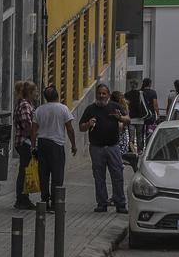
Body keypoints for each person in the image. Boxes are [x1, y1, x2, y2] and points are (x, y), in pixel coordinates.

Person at [80, 83, 130, 213]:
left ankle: (120, 204)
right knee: (99, 176)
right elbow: (81, 127)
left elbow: (128, 119)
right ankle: (102, 203)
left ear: (108, 95)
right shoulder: (90, 109)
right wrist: (88, 124)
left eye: (104, 93)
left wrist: (120, 118)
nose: (101, 96)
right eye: (99, 93)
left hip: (113, 147)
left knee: (117, 175)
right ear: (96, 94)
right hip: (97, 148)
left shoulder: (115, 107)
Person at [33, 85, 76, 212]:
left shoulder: (39, 110)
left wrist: (33, 146)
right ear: (58, 95)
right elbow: (69, 128)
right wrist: (73, 145)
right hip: (56, 145)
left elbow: (34, 130)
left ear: (45, 97)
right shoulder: (63, 109)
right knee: (57, 175)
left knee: (43, 173)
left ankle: (44, 200)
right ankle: (55, 203)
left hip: (42, 143)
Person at [12, 80, 38, 210]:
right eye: (35, 91)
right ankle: (21, 199)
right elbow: (27, 126)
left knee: (25, 170)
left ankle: (23, 198)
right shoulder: (24, 105)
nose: (37, 94)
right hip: (24, 142)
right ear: (30, 92)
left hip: (24, 142)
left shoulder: (26, 104)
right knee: (24, 171)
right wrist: (35, 134)